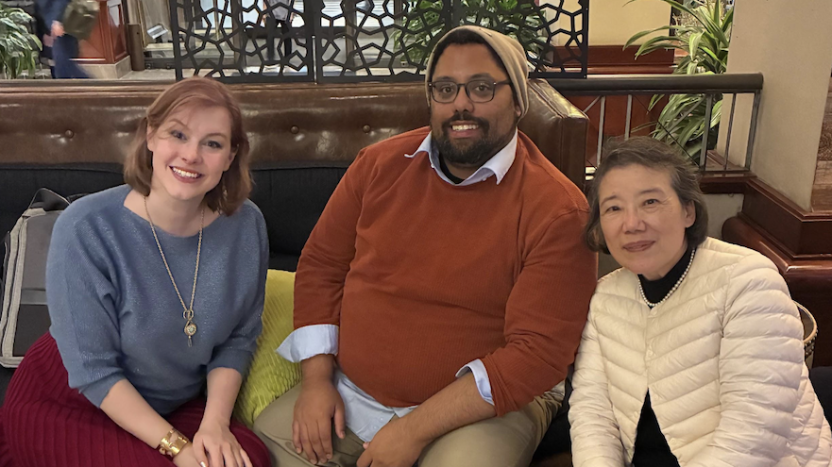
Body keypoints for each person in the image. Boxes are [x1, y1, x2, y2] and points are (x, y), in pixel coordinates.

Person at [252, 25, 597, 467]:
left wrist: (412, 430)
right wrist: (317, 381)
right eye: (446, 88)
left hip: (483, 409)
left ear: (517, 100)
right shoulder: (377, 166)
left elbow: (538, 354)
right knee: (265, 447)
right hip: (351, 393)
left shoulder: (558, 209)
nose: (462, 104)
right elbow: (321, 266)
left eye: (482, 87)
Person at [0, 77, 270, 467]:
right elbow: (93, 371)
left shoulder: (247, 225)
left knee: (247, 460)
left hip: (173, 403)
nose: (191, 154)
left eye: (212, 143)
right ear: (150, 137)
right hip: (71, 400)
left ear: (230, 157)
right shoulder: (86, 226)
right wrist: (178, 448)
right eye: (177, 134)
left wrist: (215, 425)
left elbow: (239, 339)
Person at [569, 137, 832, 467]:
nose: (632, 223)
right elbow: (592, 412)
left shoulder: (748, 281)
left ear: (688, 211)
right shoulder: (606, 296)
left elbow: (753, 434)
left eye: (650, 202)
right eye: (613, 208)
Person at [35, 0, 88, 78]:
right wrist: (45, 31)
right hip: (52, 27)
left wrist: (58, 21)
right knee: (59, 65)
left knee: (64, 65)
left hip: (60, 27)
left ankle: (93, 85)